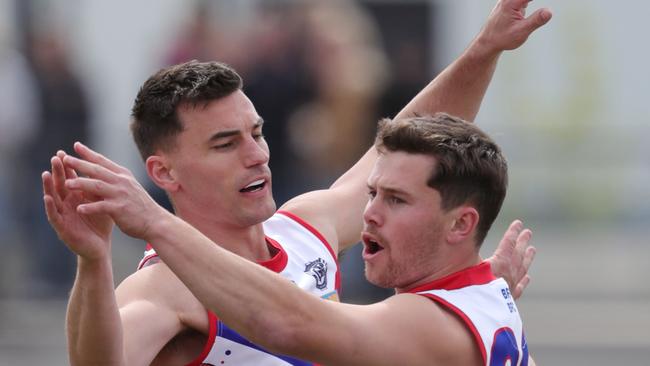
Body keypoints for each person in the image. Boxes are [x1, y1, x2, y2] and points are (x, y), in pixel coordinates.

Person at [43, 0, 551, 364]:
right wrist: (93, 264)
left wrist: (484, 52)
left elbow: (405, 155)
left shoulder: (304, 226)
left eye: (257, 132)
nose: (256, 155)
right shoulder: (160, 290)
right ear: (163, 173)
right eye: (226, 144)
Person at [55, 113, 535, 366]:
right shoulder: (485, 303)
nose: (369, 212)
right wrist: (93, 261)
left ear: (461, 225)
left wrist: (154, 221)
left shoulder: (428, 322)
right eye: (373, 193)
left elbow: (289, 323)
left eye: (396, 200)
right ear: (165, 171)